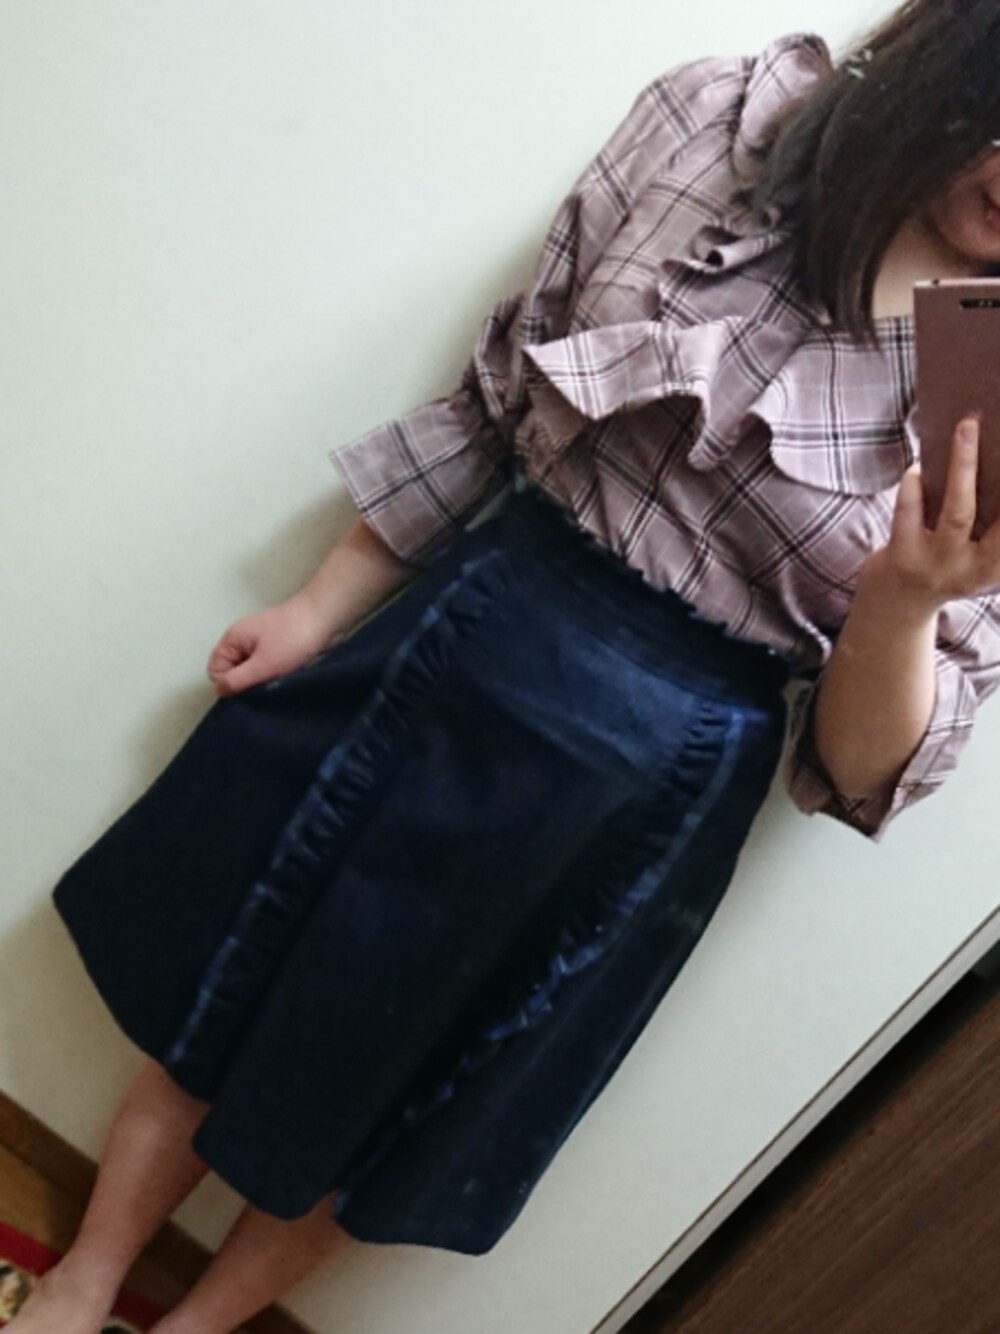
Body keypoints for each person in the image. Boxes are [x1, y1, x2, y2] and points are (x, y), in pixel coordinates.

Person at [16, 3, 1000, 1331]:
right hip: (473, 627)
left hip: (657, 784)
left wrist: (903, 599)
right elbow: (503, 386)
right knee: (240, 966)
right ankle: (82, 1279)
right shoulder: (724, 123)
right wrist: (323, 599)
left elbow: (867, 768)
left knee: (395, 1093)